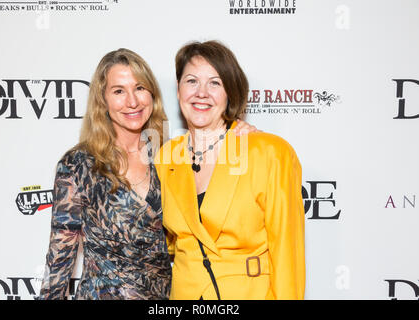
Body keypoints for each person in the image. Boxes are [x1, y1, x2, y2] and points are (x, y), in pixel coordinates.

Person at [39, 48, 257, 299]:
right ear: (102, 99)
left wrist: (239, 133)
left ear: (152, 95)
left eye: (140, 88)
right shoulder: (78, 164)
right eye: (119, 91)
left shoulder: (171, 157)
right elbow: (60, 257)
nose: (132, 101)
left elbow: (198, 233)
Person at [155, 40, 305, 300]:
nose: (201, 92)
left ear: (230, 93)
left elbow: (286, 251)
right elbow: (166, 240)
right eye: (191, 81)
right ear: (178, 91)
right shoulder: (164, 157)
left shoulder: (269, 152)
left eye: (215, 83)